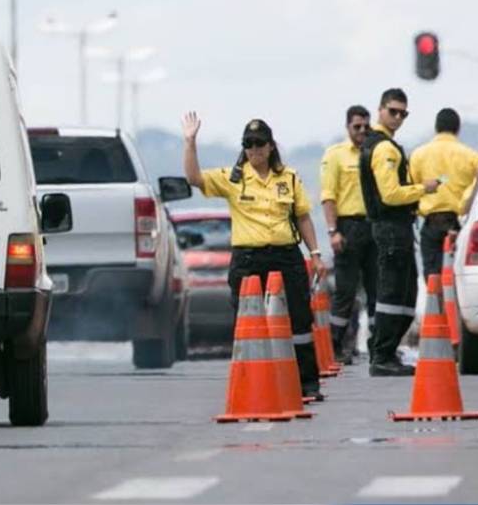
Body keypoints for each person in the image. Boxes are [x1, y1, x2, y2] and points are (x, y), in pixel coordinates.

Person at [182, 112, 326, 400]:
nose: (254, 149)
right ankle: (252, 384)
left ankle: (306, 382)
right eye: (248, 144)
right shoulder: (233, 178)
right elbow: (194, 178)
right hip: (249, 260)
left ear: (270, 146)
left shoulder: (289, 178)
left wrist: (316, 254)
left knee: (299, 319)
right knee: (249, 323)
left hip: (286, 256)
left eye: (260, 143)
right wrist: (190, 142)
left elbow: (303, 217)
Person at [358, 88, 440, 376]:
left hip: (395, 228)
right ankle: (382, 355)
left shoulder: (382, 145)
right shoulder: (384, 149)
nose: (398, 117)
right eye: (392, 111)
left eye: (403, 113)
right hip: (391, 228)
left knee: (404, 293)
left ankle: (386, 351)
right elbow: (390, 194)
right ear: (380, 110)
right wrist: (423, 189)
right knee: (393, 292)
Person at [320, 105, 376, 365]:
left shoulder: (375, 152)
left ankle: (378, 347)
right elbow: (328, 196)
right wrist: (333, 231)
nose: (362, 131)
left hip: (373, 226)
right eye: (357, 126)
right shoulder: (336, 155)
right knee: (345, 291)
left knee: (377, 290)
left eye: (366, 126)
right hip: (348, 227)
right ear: (348, 127)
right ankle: (334, 345)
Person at [409, 108, 478, 278]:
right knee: (458, 277)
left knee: (433, 276)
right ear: (458, 129)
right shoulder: (472, 156)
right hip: (459, 225)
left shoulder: (418, 155)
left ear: (436, 128)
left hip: (431, 225)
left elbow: (411, 189)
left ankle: (435, 295)